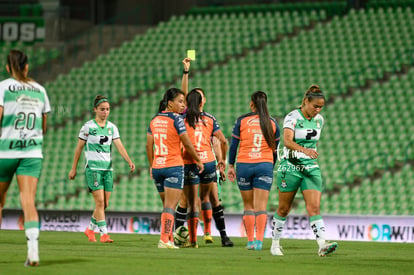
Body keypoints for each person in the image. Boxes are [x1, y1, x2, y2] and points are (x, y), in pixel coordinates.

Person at [270, 84, 338, 257]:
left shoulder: (319, 120)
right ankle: (275, 244)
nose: (318, 110)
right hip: (290, 166)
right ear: (306, 101)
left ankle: (322, 244)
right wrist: (304, 150)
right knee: (284, 209)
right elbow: (287, 141)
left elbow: (312, 143)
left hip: (310, 167)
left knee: (314, 207)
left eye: (321, 107)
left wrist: (308, 154)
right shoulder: (292, 117)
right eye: (315, 106)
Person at [0, 49, 51, 266]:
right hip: (31, 153)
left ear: (8, 68)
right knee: (28, 202)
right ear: (27, 67)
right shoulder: (40, 90)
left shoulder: (3, 87)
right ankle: (33, 251)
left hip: (5, 152)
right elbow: (44, 127)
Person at [177, 58, 234, 247]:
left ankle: (197, 237)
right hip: (207, 162)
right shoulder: (208, 119)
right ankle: (221, 235)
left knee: (196, 200)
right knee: (206, 199)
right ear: (202, 101)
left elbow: (218, 142)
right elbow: (222, 141)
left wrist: (221, 160)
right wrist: (222, 161)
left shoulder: (186, 117)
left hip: (191, 161)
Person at [68, 95, 135, 243]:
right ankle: (104, 234)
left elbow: (119, 146)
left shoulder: (112, 127)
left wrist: (129, 161)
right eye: (102, 109)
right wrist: (73, 168)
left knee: (105, 204)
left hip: (108, 169)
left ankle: (90, 229)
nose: (105, 112)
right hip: (93, 169)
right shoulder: (88, 127)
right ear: (95, 109)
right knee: (99, 202)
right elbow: (79, 148)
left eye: (107, 109)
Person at [146, 87, 204, 249]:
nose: (183, 105)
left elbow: (148, 145)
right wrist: (198, 160)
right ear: (170, 103)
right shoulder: (176, 119)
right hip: (173, 166)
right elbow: (186, 142)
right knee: (170, 206)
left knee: (167, 206)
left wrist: (152, 165)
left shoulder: (154, 120)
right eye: (179, 102)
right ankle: (164, 239)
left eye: (184, 102)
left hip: (158, 167)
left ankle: (169, 238)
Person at [227, 91, 280, 251]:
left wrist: (230, 165)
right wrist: (270, 167)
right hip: (264, 165)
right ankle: (259, 242)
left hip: (244, 165)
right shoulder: (272, 123)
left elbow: (233, 146)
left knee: (248, 206)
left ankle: (250, 241)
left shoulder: (242, 121)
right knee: (261, 207)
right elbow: (275, 150)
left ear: (251, 104)